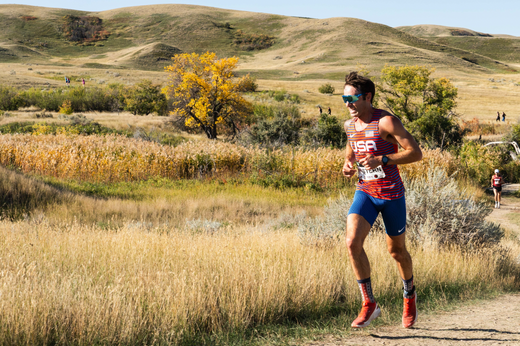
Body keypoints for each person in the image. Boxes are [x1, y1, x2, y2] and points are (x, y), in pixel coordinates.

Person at [342, 71, 423, 329]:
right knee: (352, 241)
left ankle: (409, 296)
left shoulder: (386, 122)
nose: (347, 103)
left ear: (367, 97)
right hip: (365, 191)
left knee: (396, 252)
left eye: (352, 97)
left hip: (392, 195)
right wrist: (347, 163)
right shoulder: (349, 125)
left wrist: (383, 159)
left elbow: (415, 153)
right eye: (344, 98)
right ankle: (369, 304)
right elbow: (352, 148)